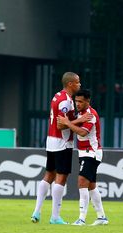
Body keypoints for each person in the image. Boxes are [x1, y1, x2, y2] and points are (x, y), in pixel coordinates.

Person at [30, 72, 89, 225]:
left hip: (51, 140)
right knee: (61, 177)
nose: (79, 85)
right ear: (70, 84)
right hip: (62, 142)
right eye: (77, 82)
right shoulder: (65, 102)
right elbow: (61, 124)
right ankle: (55, 217)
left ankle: (37, 211)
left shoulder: (58, 95)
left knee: (49, 174)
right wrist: (80, 119)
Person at [57, 89, 109, 226]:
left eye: (80, 101)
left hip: (91, 152)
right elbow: (60, 125)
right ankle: (102, 217)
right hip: (84, 152)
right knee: (91, 185)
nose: (77, 104)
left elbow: (82, 132)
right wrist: (70, 121)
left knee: (81, 181)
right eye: (76, 101)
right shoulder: (79, 114)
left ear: (88, 101)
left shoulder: (90, 115)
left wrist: (68, 122)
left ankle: (81, 219)